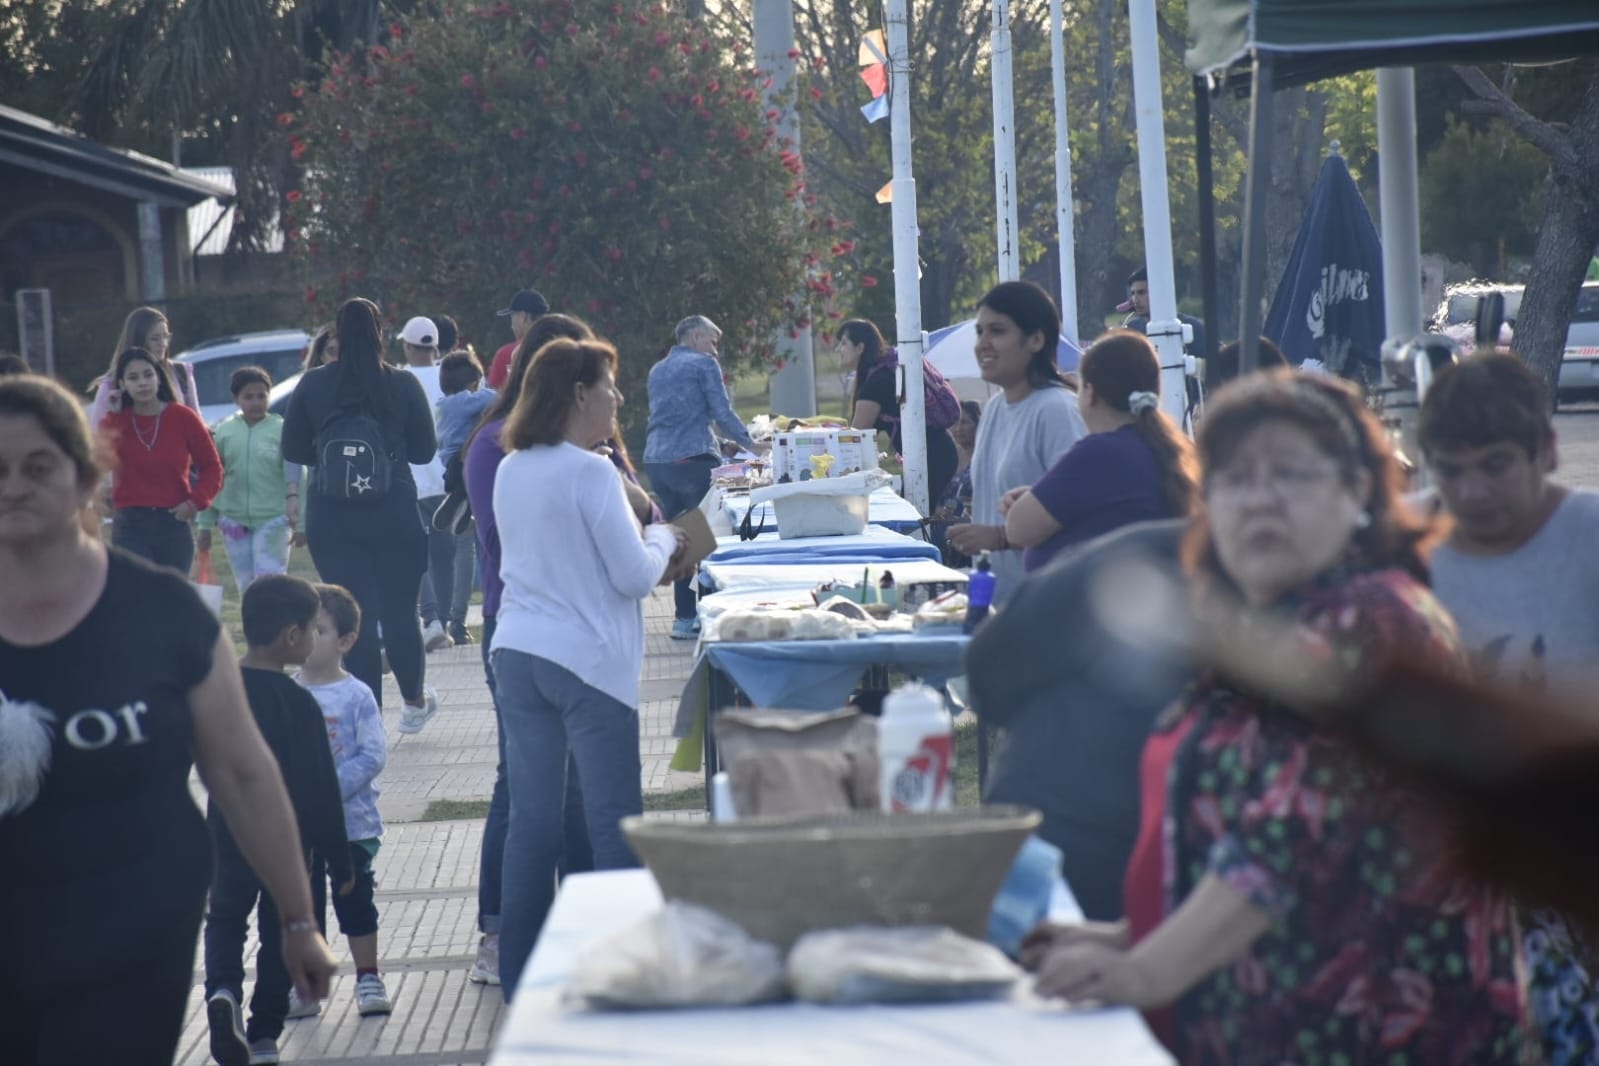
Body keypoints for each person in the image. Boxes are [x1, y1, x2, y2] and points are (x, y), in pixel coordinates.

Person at [1026, 370, 1531, 1063]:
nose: (1260, 499)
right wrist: (1130, 933)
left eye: (1290, 475)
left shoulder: (1376, 620)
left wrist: (1144, 970)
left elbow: (1285, 841)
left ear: (1357, 492)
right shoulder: (1270, 623)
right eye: (1234, 479)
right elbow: (1224, 828)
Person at [0, 376, 336, 1064]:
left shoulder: (163, 613)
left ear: (88, 476)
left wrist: (298, 919)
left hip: (135, 924)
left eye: (37, 467)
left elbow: (243, 772)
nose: (13, 487)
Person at [491, 337, 686, 998]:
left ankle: (519, 980)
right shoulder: (591, 473)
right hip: (587, 664)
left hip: (518, 653)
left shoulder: (512, 466)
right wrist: (664, 536)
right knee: (613, 825)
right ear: (579, 395)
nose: (618, 398)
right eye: (609, 386)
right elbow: (633, 576)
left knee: (532, 826)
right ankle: (626, 975)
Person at [1420, 352, 1599, 1064]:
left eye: (1494, 466)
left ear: (1545, 451)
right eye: (1450, 470)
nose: (1471, 491)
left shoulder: (1590, 537)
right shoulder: (1400, 546)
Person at [461, 313, 598, 986]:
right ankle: (498, 932)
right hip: (519, 625)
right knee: (519, 781)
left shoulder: (590, 446)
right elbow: (503, 544)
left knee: (576, 788)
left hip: (584, 629)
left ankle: (584, 925)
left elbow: (644, 514)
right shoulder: (495, 446)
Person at [970, 518, 1191, 925]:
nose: (1263, 498)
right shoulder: (1123, 564)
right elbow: (989, 673)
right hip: (1069, 850)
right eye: (1239, 485)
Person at [203, 574, 354, 1066]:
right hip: (288, 844)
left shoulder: (219, 691)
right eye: (311, 629)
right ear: (292, 636)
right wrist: (339, 860)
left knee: (225, 918)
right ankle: (264, 1031)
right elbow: (320, 789)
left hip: (226, 831)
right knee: (281, 930)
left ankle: (222, 990)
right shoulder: (298, 703)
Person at [282, 297, 440, 730]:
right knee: (401, 612)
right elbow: (424, 451)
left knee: (356, 615)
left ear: (337, 334)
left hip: (332, 515)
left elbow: (294, 448)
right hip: (394, 512)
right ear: (380, 336)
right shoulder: (402, 384)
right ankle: (413, 703)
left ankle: (369, 718)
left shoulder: (314, 384)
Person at [1000, 330, 1198, 572]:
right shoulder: (1169, 448)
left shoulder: (1099, 453)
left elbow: (1018, 530)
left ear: (1090, 393)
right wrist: (1043, 496)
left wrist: (1028, 504)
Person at [946, 281, 1087, 603]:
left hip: (1049, 604)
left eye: (997, 331)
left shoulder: (1057, 410)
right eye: (979, 332)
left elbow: (1080, 514)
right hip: (1000, 601)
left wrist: (1000, 538)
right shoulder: (995, 407)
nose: (983, 344)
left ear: (1036, 339)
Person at [291, 583, 393, 1021]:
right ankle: (307, 987)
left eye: (319, 630)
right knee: (304, 908)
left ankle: (368, 977)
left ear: (346, 641)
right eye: (301, 628)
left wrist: (327, 791)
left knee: (355, 901)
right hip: (298, 828)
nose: (305, 637)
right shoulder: (287, 691)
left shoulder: (357, 695)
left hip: (352, 824)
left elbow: (372, 754)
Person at [643, 314, 765, 639]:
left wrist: (720, 444)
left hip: (657, 462)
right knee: (706, 538)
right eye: (712, 342)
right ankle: (707, 615)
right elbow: (721, 413)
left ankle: (684, 618)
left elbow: (677, 418)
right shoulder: (703, 364)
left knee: (681, 539)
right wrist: (752, 444)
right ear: (696, 337)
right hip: (692, 461)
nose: (715, 351)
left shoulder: (658, 369)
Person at [99, 347, 223, 575]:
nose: (142, 383)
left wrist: (195, 503)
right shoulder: (118, 420)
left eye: (148, 375)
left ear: (159, 377)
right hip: (130, 524)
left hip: (173, 521)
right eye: (133, 378)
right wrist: (114, 416)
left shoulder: (183, 417)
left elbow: (212, 468)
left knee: (171, 594)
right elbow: (101, 461)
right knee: (139, 593)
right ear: (123, 384)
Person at [197, 366, 301, 595]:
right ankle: (252, 619)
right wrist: (205, 524)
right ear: (236, 399)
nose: (256, 402)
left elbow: (296, 476)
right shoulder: (224, 432)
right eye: (248, 396)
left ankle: (274, 619)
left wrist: (300, 522)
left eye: (262, 396)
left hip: (274, 520)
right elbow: (211, 478)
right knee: (246, 586)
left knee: (270, 583)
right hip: (233, 522)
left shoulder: (282, 430)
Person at [834, 318, 959, 504]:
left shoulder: (876, 383)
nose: (838, 349)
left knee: (916, 515)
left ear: (860, 347)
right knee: (918, 512)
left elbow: (856, 436)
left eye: (844, 343)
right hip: (935, 455)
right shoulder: (882, 374)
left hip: (933, 459)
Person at [395, 315, 455, 653]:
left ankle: (430, 619)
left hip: (411, 480)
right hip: (447, 480)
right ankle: (441, 624)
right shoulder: (449, 376)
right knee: (445, 555)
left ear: (407, 346)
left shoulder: (399, 380)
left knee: (418, 555)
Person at [435, 350, 496, 646]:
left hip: (449, 465)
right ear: (472, 384)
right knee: (472, 485)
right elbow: (495, 399)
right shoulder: (465, 401)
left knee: (464, 490)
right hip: (463, 460)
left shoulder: (443, 403)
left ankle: (458, 502)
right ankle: (463, 504)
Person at [88, 306, 199, 424]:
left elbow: (197, 422)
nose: (162, 343)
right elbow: (98, 432)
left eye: (166, 337)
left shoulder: (180, 372)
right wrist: (115, 414)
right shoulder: (111, 384)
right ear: (138, 340)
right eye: (155, 338)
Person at [930, 400, 981, 566]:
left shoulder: (983, 458)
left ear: (977, 424)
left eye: (965, 423)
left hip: (971, 531)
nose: (958, 429)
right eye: (955, 423)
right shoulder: (949, 457)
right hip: (944, 531)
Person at [1120, 267, 1207, 361]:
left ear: (1159, 292)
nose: (1135, 300)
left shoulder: (1191, 326)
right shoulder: (1132, 329)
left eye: (1141, 292)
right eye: (1133, 293)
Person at [487, 287, 549, 390]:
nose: (511, 325)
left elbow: (492, 395)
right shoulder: (559, 350)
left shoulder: (505, 354)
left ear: (523, 317)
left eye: (512, 317)